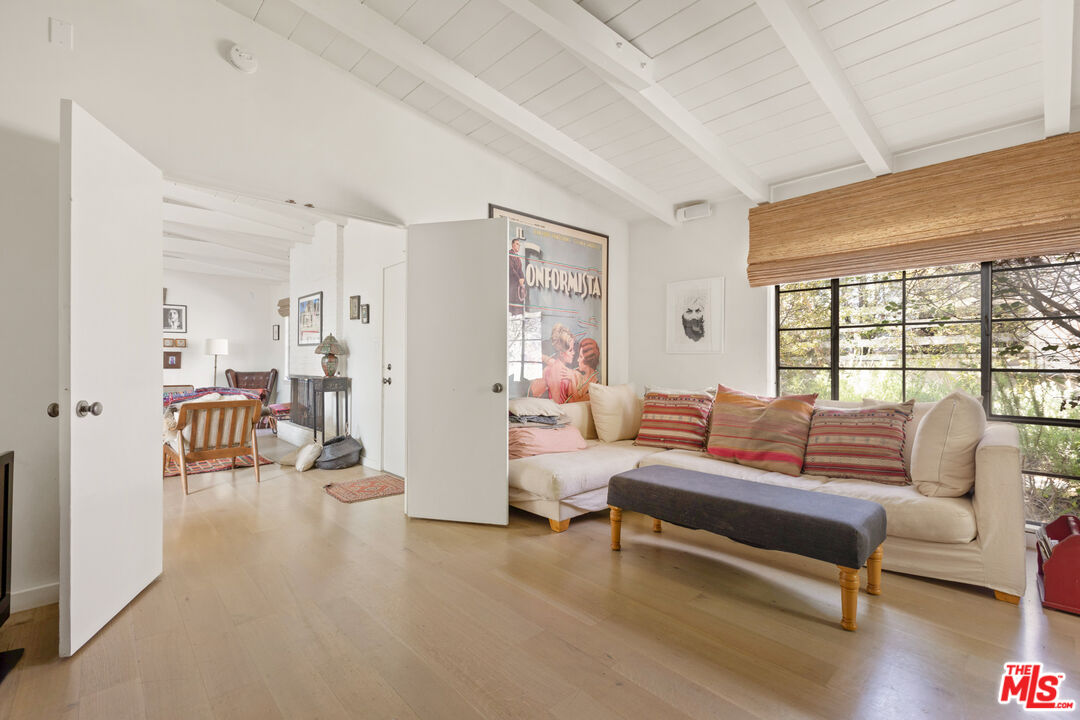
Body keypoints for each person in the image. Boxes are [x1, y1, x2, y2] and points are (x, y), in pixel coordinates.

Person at [565, 337, 600, 403]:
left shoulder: (595, 387)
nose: (578, 360)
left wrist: (573, 380)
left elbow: (576, 403)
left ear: (588, 360)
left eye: (580, 356)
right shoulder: (577, 374)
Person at [508, 232, 526, 314]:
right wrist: (519, 279)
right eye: (517, 244)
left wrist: (522, 278)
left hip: (518, 285)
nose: (518, 246)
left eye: (519, 245)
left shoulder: (518, 258)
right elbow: (511, 269)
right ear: (513, 245)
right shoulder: (509, 254)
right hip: (512, 284)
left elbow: (520, 270)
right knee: (513, 305)